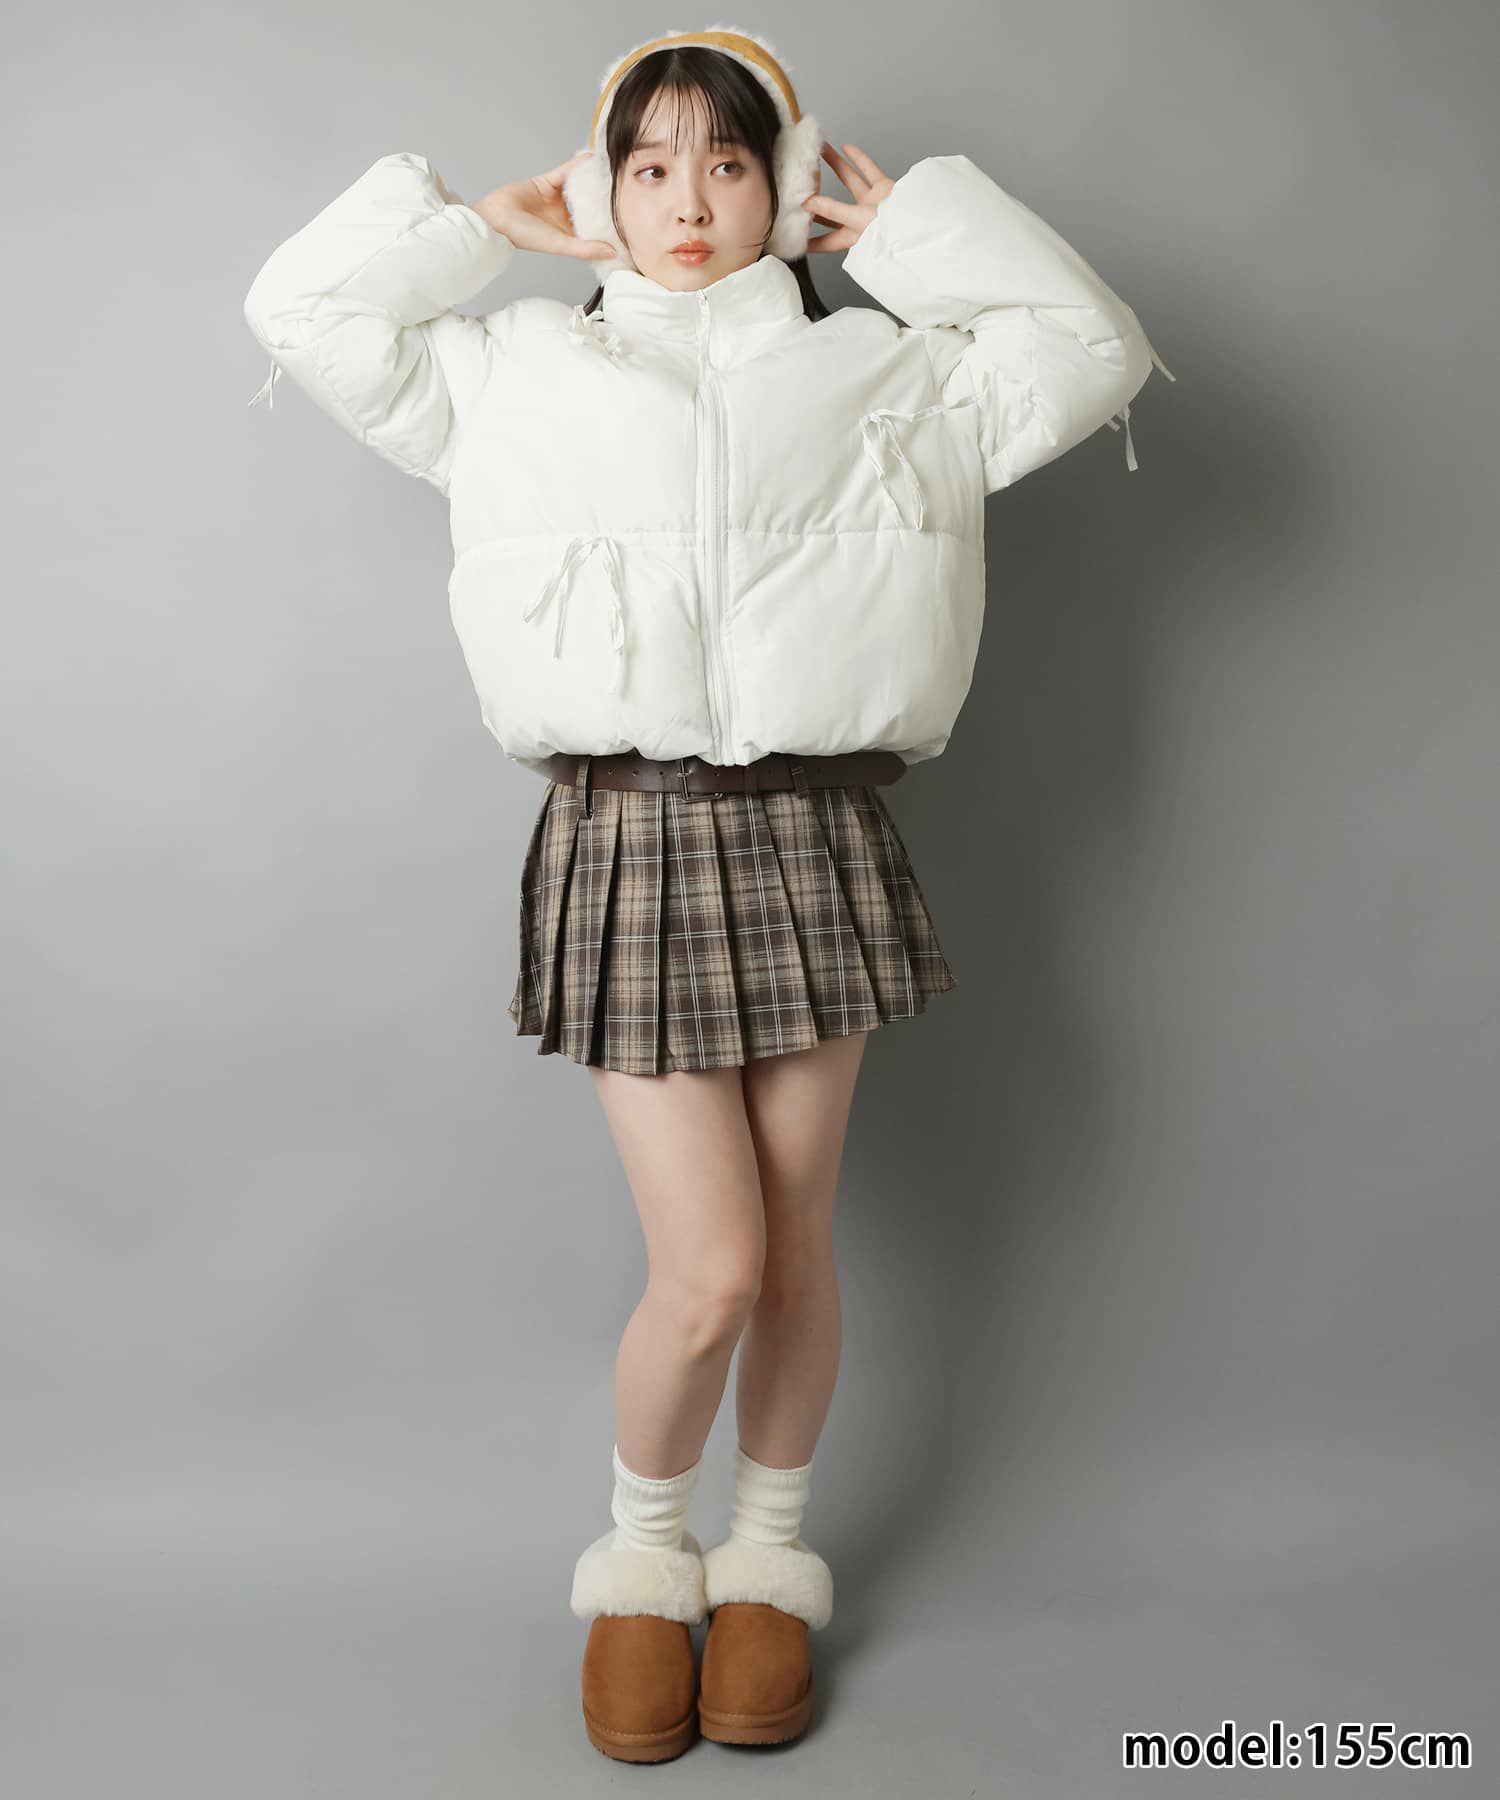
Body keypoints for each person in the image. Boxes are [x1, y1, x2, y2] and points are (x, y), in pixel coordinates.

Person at [242, 23, 1174, 1763]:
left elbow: (1089, 349)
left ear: (784, 181)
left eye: (730, 164)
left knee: (797, 1250)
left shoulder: (887, 373)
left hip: (817, 831)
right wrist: (482, 229)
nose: (690, 203)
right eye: (652, 165)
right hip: (628, 838)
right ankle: (642, 1563)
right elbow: (303, 312)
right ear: (606, 185)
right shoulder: (513, 373)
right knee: (713, 1269)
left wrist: (915, 239)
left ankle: (763, 1566)